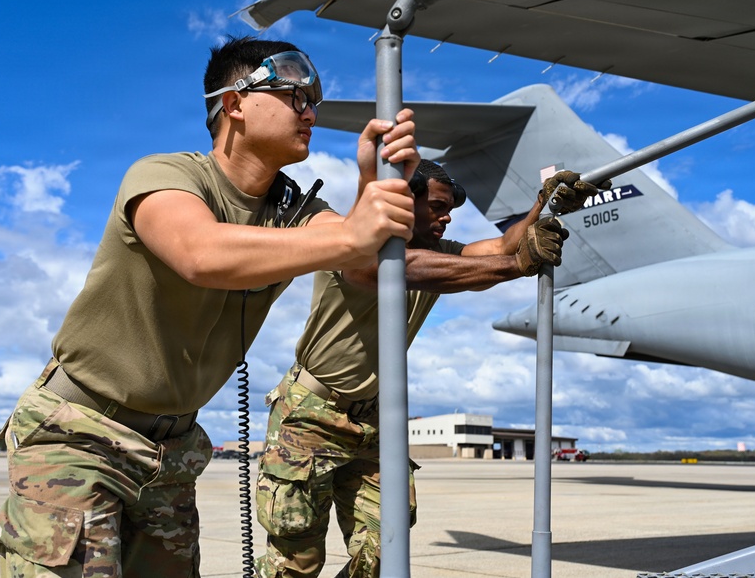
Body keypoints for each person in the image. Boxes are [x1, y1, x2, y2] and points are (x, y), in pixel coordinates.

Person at [0, 36, 420, 578]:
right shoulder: (165, 176)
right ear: (234, 103)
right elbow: (200, 253)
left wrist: (370, 185)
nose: (310, 111)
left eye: (314, 100)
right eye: (294, 96)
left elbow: (358, 265)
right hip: (81, 434)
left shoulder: (295, 210)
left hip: (171, 452)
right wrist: (356, 232)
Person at [256, 160, 600, 577]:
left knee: (386, 548)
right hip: (312, 413)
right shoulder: (355, 244)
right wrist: (514, 265)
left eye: (450, 208)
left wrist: (542, 208)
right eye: (437, 206)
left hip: (373, 419)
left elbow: (500, 249)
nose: (448, 215)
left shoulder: (440, 254)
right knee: (297, 560)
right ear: (404, 199)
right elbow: (401, 270)